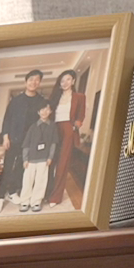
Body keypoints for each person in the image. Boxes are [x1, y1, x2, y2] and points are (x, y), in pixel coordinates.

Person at [0, 70, 46, 215]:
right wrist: (5, 137)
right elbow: (7, 119)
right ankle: (0, 197)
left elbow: (42, 121)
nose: (34, 82)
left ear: (39, 83)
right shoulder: (16, 100)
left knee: (22, 168)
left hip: (30, 142)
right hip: (14, 139)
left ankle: (12, 192)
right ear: (26, 81)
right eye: (31, 79)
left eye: (37, 80)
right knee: (8, 166)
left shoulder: (41, 101)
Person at [44, 68, 84, 208]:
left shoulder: (79, 97)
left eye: (68, 79)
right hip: (54, 129)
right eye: (62, 80)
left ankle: (55, 197)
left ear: (73, 81)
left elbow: (80, 116)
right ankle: (46, 193)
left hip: (68, 130)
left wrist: (75, 127)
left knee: (62, 164)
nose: (65, 83)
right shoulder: (55, 97)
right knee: (50, 161)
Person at [20, 101, 59, 213]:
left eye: (47, 109)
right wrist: (25, 159)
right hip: (31, 159)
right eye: (42, 109)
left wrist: (50, 157)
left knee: (41, 181)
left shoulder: (53, 126)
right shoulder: (33, 127)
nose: (44, 112)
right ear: (38, 112)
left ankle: (36, 202)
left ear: (50, 111)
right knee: (27, 180)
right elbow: (26, 144)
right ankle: (24, 202)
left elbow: (53, 144)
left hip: (44, 159)